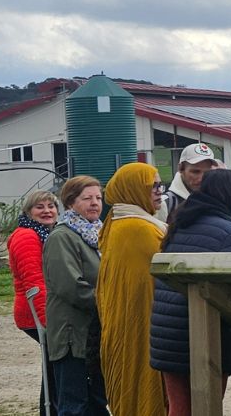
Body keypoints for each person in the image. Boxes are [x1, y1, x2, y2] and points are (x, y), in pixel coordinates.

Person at [150, 169, 231, 416]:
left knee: (179, 409)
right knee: (208, 407)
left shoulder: (179, 222)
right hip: (206, 332)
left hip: (167, 331)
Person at [97, 162, 169, 416]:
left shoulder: (120, 221)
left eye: (160, 185)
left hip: (128, 322)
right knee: (142, 388)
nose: (159, 191)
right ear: (134, 189)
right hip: (141, 325)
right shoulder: (137, 229)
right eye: (153, 186)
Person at [43, 176, 110, 416]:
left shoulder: (98, 235)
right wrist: (112, 303)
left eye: (98, 198)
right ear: (70, 203)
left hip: (94, 334)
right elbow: (71, 287)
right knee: (75, 405)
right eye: (87, 198)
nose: (95, 203)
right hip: (72, 336)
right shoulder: (62, 237)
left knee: (97, 402)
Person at [8, 190, 60, 416]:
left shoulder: (45, 234)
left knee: (52, 368)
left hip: (42, 311)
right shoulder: (28, 236)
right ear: (29, 212)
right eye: (40, 207)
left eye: (51, 206)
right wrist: (47, 321)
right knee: (54, 370)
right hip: (35, 314)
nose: (47, 211)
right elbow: (34, 283)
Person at [156, 143, 221, 224]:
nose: (201, 178)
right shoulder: (164, 204)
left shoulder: (217, 201)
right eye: (195, 172)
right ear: (180, 168)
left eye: (207, 172)